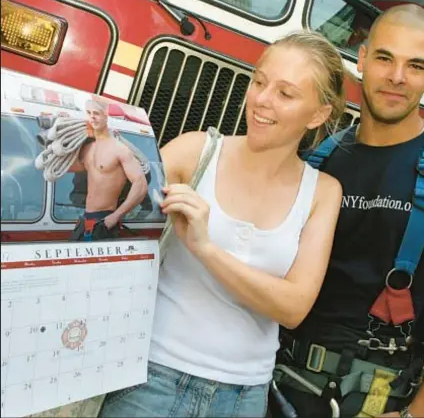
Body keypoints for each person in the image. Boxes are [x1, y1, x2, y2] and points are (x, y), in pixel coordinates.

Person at [99, 30, 345, 417]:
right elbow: (104, 229)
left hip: (244, 397)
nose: (261, 100)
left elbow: (294, 307)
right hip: (150, 377)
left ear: (318, 114)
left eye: (285, 93)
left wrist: (205, 248)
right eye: (259, 81)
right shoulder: (194, 151)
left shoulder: (323, 192)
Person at [271, 4, 424, 417]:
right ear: (363, 58)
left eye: (415, 65)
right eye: (386, 58)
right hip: (276, 389)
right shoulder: (318, 159)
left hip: (376, 402)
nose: (396, 77)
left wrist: (420, 414)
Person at [69, 98, 148, 240]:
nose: (92, 117)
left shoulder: (119, 149)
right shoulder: (87, 148)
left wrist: (116, 216)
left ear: (106, 116)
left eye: (96, 113)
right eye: (89, 113)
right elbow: (66, 168)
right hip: (85, 219)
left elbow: (140, 185)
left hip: (105, 220)